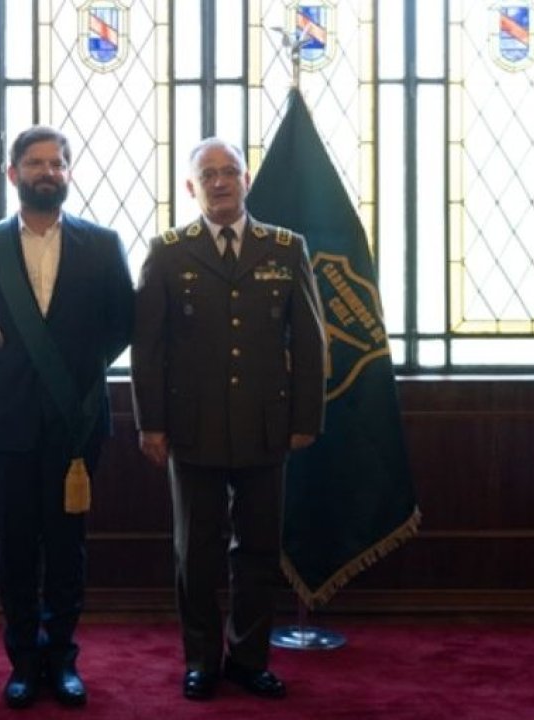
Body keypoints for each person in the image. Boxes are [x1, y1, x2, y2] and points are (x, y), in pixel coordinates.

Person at [129, 137, 326, 701]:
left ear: (246, 180)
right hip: (192, 427)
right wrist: (150, 424)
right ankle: (201, 660)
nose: (220, 182)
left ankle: (248, 658)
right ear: (191, 187)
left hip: (267, 425)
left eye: (230, 172)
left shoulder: (286, 248)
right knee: (196, 553)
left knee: (259, 550)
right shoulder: (168, 252)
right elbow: (149, 347)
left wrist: (306, 416)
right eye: (208, 174)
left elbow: (309, 341)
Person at [0, 126, 134, 709]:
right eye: (35, 163)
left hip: (77, 420)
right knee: (16, 546)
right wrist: (12, 366)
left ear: (68, 173)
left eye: (57, 163)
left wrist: (72, 370)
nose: (47, 172)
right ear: (13, 174)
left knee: (66, 545)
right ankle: (24, 662)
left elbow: (121, 325)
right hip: (6, 421)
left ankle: (62, 658)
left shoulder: (103, 244)